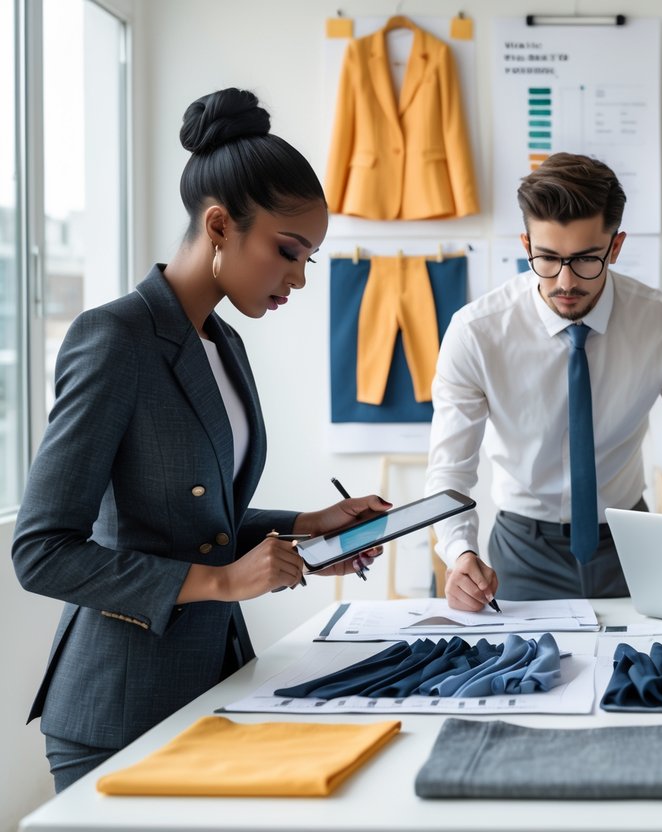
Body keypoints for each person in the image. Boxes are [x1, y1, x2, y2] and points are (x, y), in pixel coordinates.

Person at [11, 88, 389, 792]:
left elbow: (189, 523)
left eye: (309, 258)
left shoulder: (223, 344)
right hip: (118, 711)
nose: (300, 278)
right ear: (219, 225)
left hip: (214, 686)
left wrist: (309, 530)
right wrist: (222, 582)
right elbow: (41, 551)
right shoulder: (115, 339)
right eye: (288, 251)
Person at [426, 152, 662, 610]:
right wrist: (460, 552)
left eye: (587, 259)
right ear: (526, 244)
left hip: (633, 542)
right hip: (521, 547)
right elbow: (450, 471)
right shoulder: (476, 332)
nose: (565, 282)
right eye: (547, 258)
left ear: (616, 246)